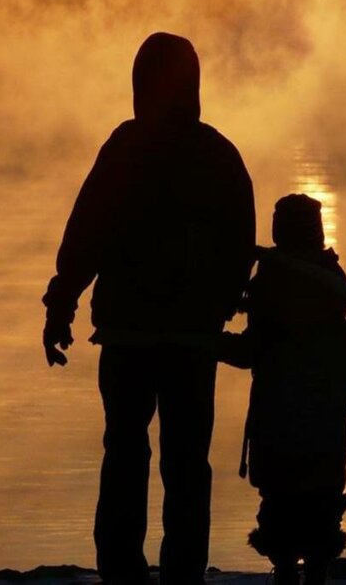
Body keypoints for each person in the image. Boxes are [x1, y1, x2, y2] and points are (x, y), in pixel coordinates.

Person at [42, 32, 255, 585]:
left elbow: (86, 234)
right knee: (186, 463)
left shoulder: (125, 147)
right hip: (189, 340)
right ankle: (181, 576)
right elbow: (240, 246)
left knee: (125, 454)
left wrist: (61, 304)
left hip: (129, 336)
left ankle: (122, 574)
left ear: (140, 86)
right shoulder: (220, 155)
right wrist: (218, 307)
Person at [219, 194, 346, 585]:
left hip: (276, 423)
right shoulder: (330, 282)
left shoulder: (269, 282)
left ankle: (287, 570)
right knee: (322, 503)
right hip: (324, 426)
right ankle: (316, 571)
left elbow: (251, 351)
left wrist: (209, 343)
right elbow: (344, 346)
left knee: (280, 503)